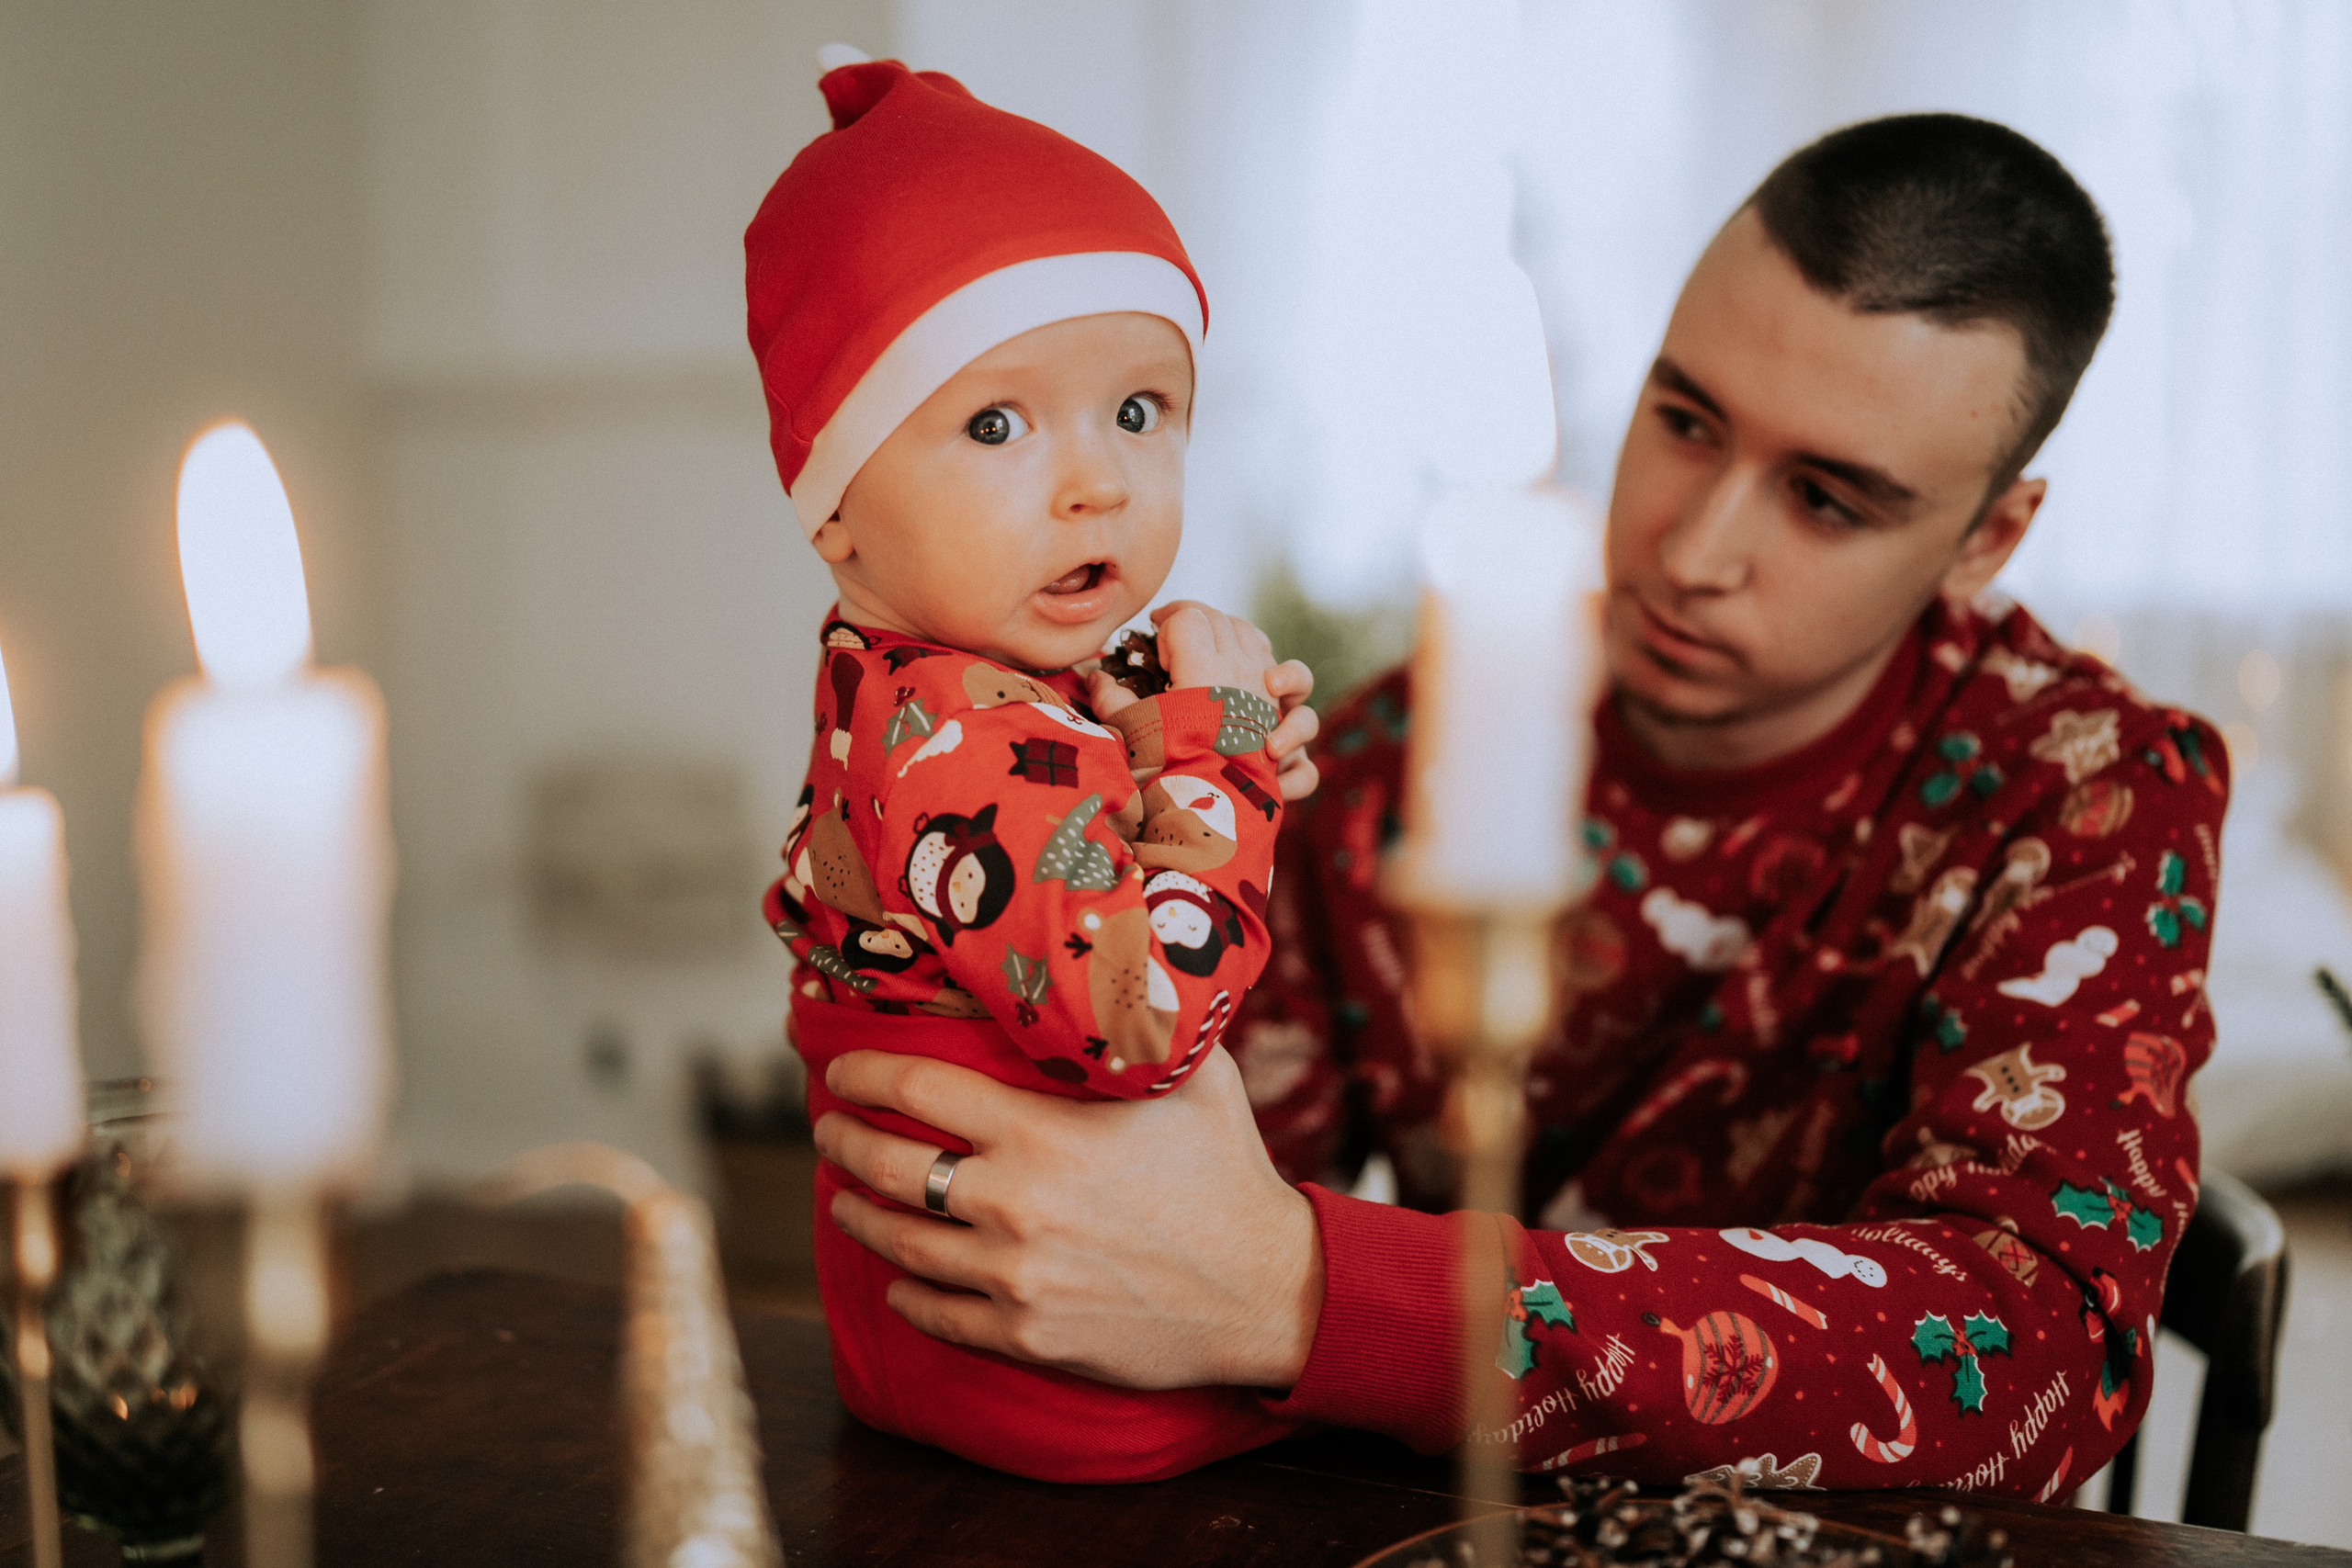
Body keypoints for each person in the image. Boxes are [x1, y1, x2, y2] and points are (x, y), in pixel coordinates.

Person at [810, 112, 2227, 1497]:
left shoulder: (2089, 797)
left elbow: (2037, 1345)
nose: (1693, 546)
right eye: (1685, 421)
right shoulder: (1401, 756)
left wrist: (1313, 1297)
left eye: (1828, 500)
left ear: (1991, 537)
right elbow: (1156, 1217)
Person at [745, 56, 1317, 1483]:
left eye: (1140, 411)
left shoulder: (948, 683)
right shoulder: (947, 736)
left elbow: (1064, 807)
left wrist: (1178, 728)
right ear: (836, 504)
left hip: (986, 1343)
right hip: (1058, 1388)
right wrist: (1215, 758)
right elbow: (1144, 1018)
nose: (1100, 483)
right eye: (998, 424)